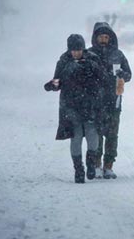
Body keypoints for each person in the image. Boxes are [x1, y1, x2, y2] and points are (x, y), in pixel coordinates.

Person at [44, 34, 105, 184]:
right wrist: (52, 85)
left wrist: (91, 67)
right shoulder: (64, 61)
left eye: (79, 50)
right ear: (69, 49)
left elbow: (103, 78)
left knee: (93, 136)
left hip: (91, 104)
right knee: (76, 137)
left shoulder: (93, 59)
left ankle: (91, 162)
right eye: (73, 50)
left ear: (83, 48)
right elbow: (57, 81)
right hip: (71, 106)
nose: (76, 53)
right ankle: (78, 169)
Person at [89, 22, 132, 179]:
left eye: (106, 37)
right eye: (101, 36)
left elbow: (129, 75)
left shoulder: (118, 55)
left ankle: (109, 166)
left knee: (112, 135)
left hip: (114, 102)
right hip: (94, 103)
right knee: (96, 135)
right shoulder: (89, 55)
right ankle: (96, 164)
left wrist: (122, 74)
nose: (103, 39)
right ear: (95, 37)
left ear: (110, 38)